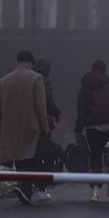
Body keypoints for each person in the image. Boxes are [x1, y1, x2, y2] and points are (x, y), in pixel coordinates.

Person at [0, 50, 50, 205]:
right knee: (30, 158)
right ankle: (23, 186)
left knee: (19, 157)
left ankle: (23, 189)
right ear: (30, 62)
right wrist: (45, 127)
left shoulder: (5, 80)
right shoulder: (36, 78)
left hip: (10, 127)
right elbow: (40, 106)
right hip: (31, 126)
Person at [75, 59, 109, 201]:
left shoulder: (84, 88)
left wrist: (78, 129)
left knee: (95, 157)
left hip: (92, 127)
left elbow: (81, 110)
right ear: (104, 70)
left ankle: (95, 191)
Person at [32, 56, 61, 201]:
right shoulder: (45, 81)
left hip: (30, 122)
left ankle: (29, 184)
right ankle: (42, 188)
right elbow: (48, 101)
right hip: (44, 122)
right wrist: (57, 113)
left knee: (31, 154)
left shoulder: (32, 78)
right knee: (43, 155)